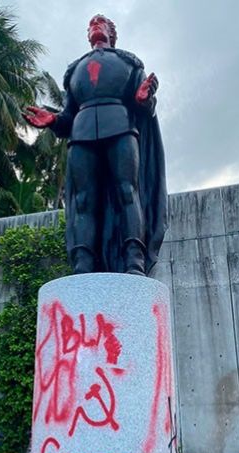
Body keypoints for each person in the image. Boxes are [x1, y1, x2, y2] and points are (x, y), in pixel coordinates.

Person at [24, 14, 166, 275]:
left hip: (121, 128)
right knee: (83, 199)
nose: (95, 26)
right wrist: (54, 119)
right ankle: (83, 264)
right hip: (82, 133)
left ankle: (134, 261)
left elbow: (143, 105)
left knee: (127, 191)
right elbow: (68, 116)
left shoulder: (129, 63)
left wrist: (144, 99)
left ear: (111, 33)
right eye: (90, 25)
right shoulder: (74, 71)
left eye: (100, 23)